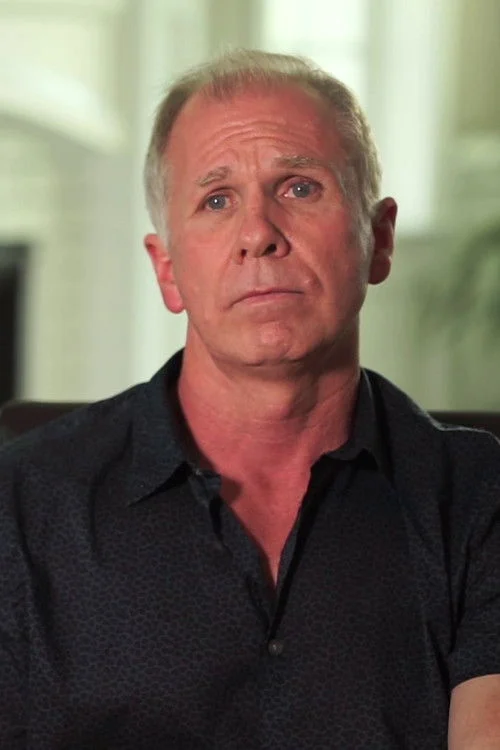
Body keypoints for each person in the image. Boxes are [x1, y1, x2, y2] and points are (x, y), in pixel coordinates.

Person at [1, 49, 499, 750]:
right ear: (167, 269)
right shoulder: (20, 505)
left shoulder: (479, 498)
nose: (259, 234)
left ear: (379, 239)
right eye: (216, 199)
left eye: (299, 187)